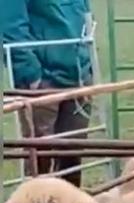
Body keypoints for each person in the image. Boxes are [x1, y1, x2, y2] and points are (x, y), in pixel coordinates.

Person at [2, 0, 94, 187]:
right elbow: (10, 23)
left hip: (78, 72)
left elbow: (83, 12)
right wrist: (29, 71)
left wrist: (86, 60)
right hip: (43, 78)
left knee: (72, 154)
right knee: (40, 157)